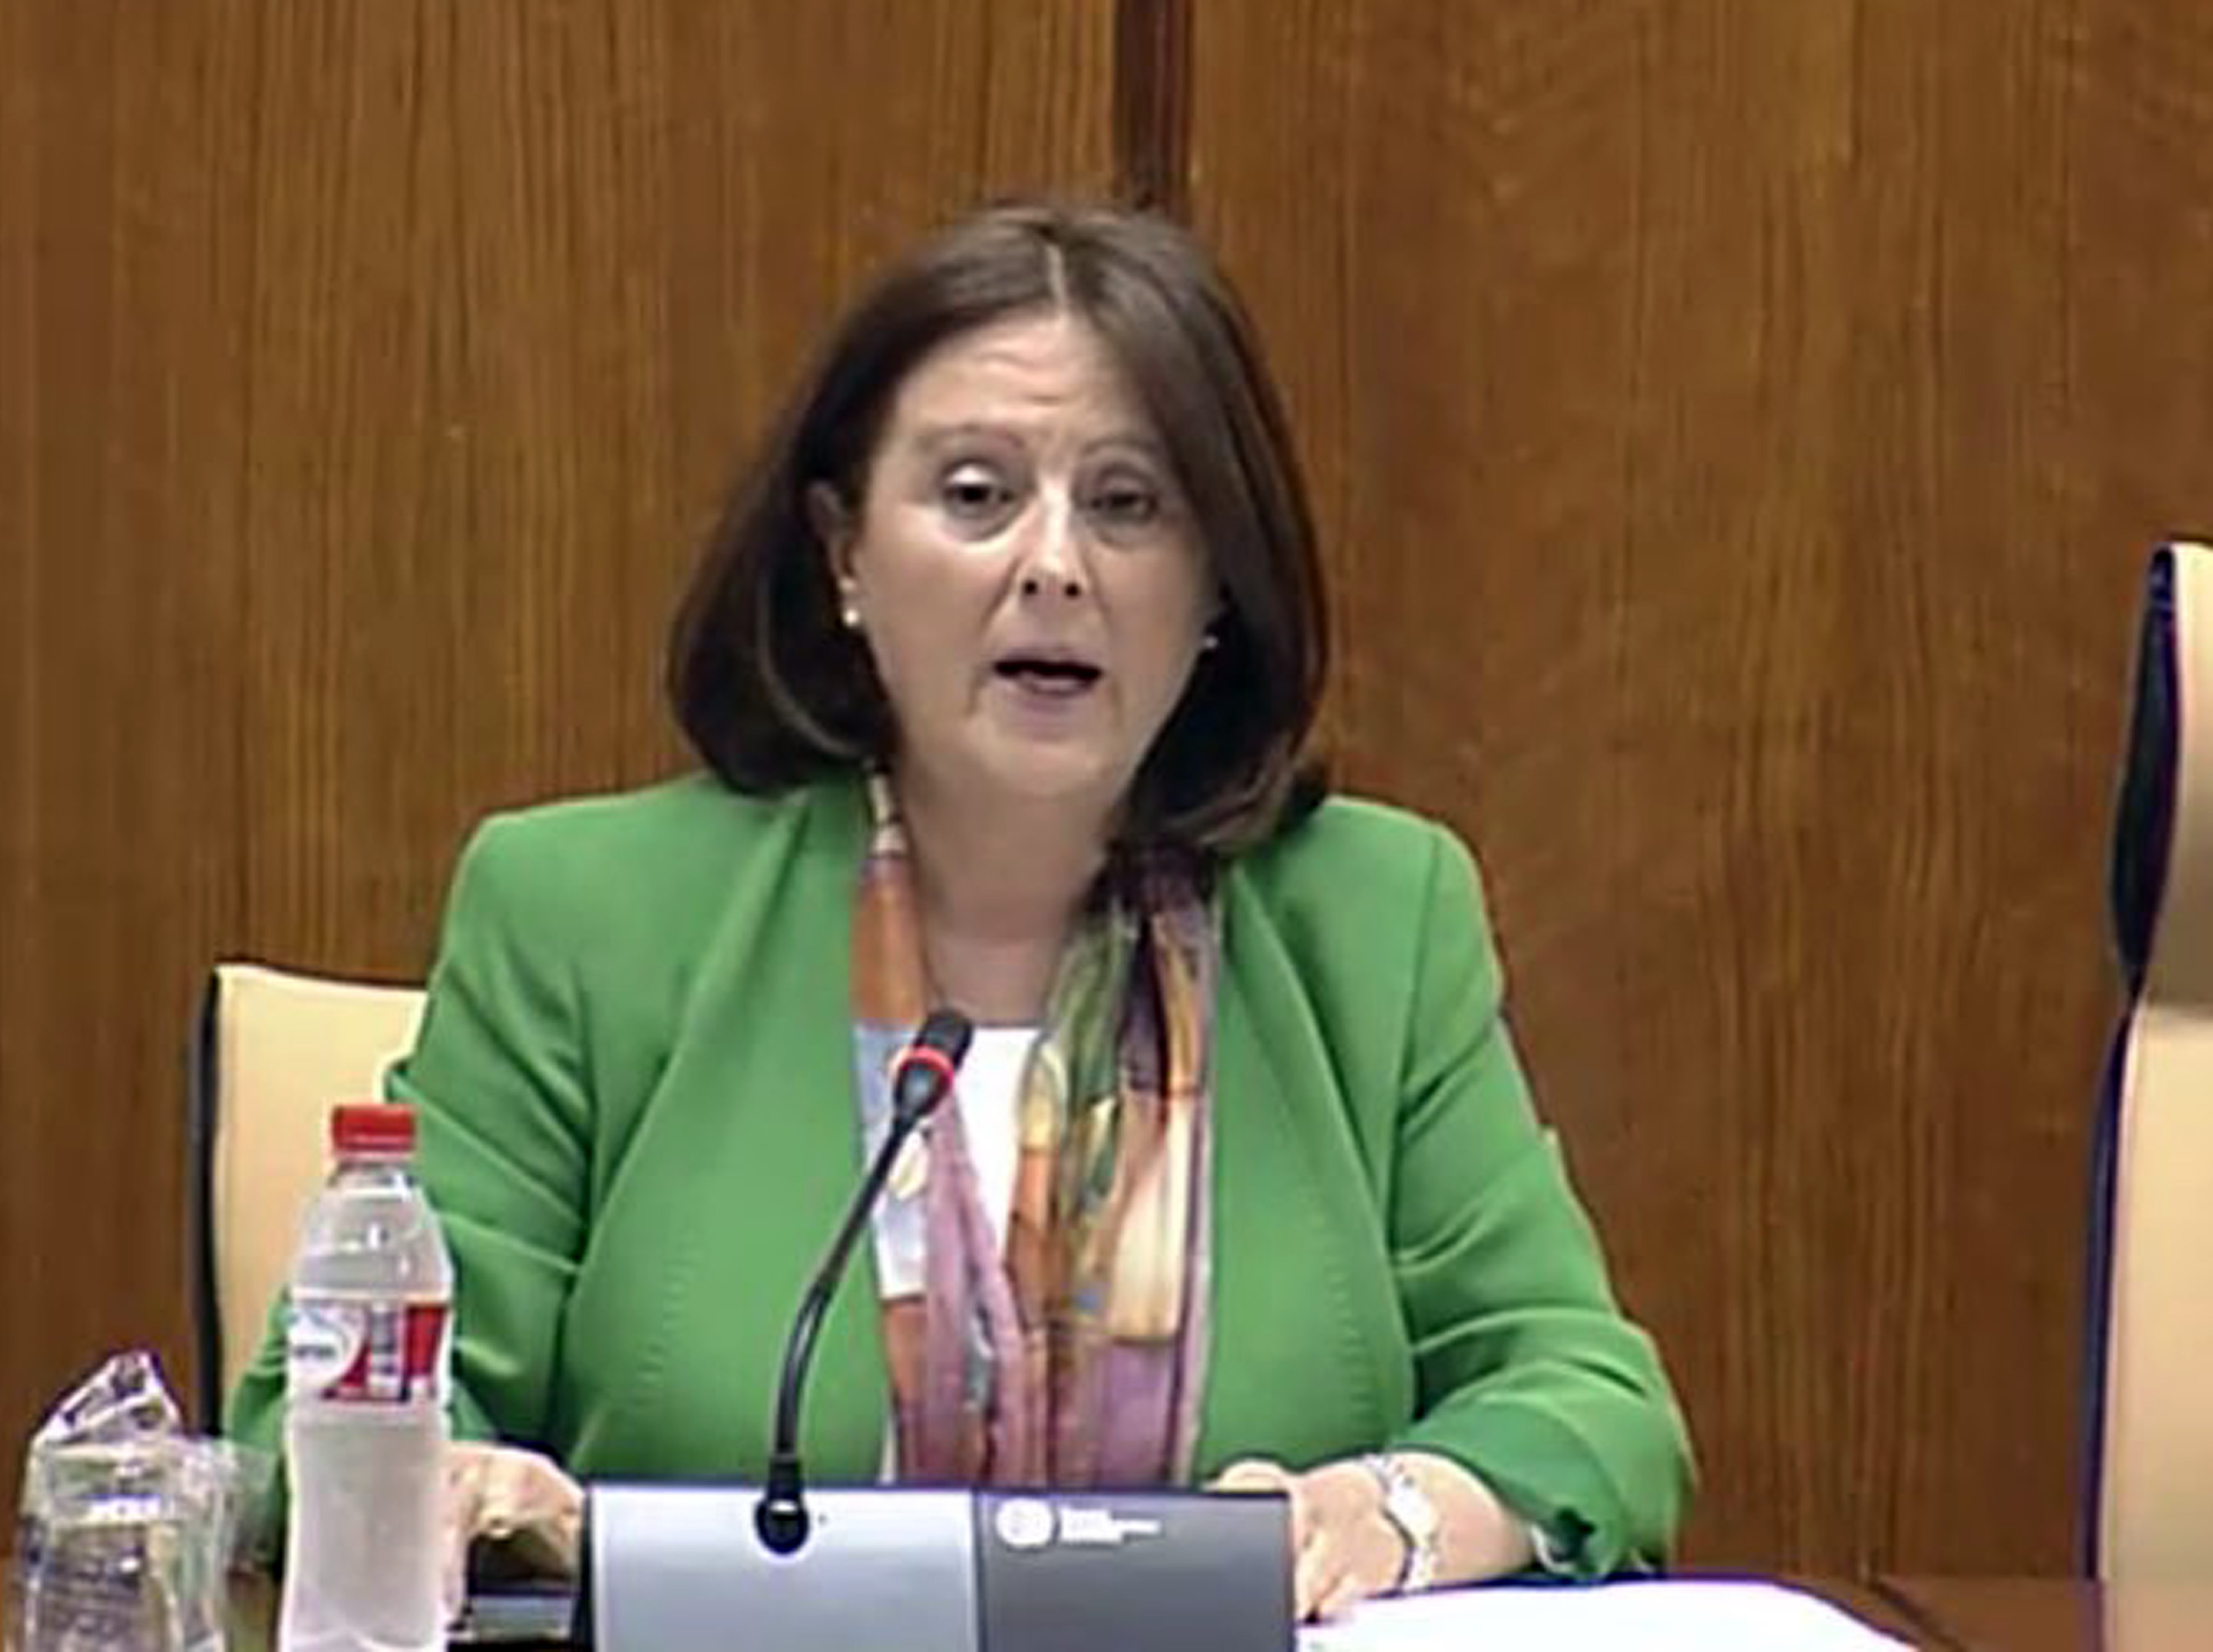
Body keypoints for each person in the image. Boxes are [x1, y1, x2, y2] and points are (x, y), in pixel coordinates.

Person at [227, 200, 1693, 1622]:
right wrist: (447, 1484)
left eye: (1128, 504)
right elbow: (322, 1410)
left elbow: (1590, 1405)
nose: (1054, 566)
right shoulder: (585, 916)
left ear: (1215, 585)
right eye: (978, 495)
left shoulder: (1371, 922)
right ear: (846, 554)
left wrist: (1392, 1513)